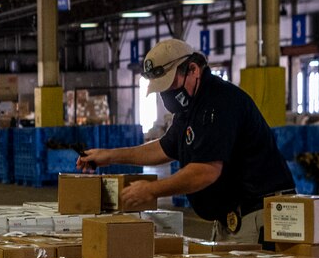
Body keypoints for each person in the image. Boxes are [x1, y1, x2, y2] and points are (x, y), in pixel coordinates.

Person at [78, 38, 295, 242]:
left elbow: (206, 171)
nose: (168, 95)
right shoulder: (190, 108)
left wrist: (152, 189)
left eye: (171, 85)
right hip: (231, 218)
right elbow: (163, 148)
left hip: (257, 215)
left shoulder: (219, 103)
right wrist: (110, 156)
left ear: (193, 69)